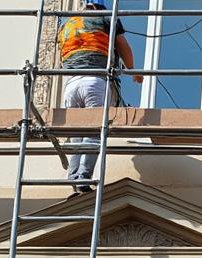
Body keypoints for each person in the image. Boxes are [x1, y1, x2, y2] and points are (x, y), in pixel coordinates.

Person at [57, 1, 142, 196]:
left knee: (77, 134)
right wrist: (134, 71)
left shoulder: (67, 25)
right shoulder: (105, 17)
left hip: (70, 85)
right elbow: (122, 46)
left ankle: (74, 178)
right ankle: (84, 177)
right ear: (99, 7)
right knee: (95, 132)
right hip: (94, 81)